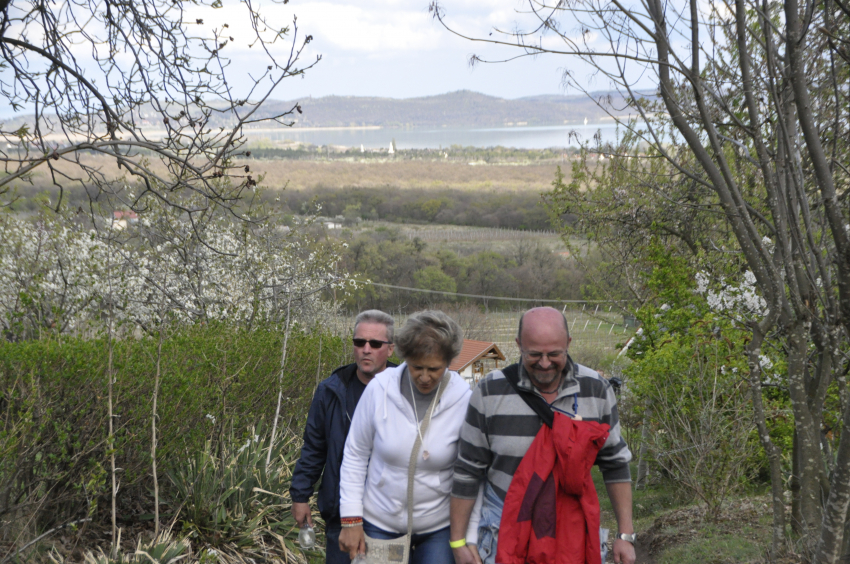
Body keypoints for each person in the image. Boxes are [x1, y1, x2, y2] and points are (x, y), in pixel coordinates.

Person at [449, 307, 636, 564]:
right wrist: (459, 541)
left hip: (571, 533)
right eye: (534, 354)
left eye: (555, 354)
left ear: (568, 344)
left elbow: (615, 464)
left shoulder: (597, 389)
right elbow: (468, 470)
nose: (545, 363)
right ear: (518, 345)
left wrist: (625, 534)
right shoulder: (490, 391)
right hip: (503, 530)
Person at [338, 310, 480, 564]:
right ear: (405, 358)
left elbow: (472, 471)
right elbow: (355, 455)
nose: (424, 377)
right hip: (379, 521)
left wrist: (468, 537)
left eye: (434, 369)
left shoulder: (464, 399)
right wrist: (351, 519)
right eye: (417, 367)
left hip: (437, 527)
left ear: (449, 362)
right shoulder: (379, 389)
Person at [290, 310, 397, 564]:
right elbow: (315, 448)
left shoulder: (406, 390)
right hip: (341, 515)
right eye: (359, 342)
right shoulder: (331, 390)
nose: (366, 349)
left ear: (390, 349)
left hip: (391, 517)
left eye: (375, 344)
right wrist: (300, 495)